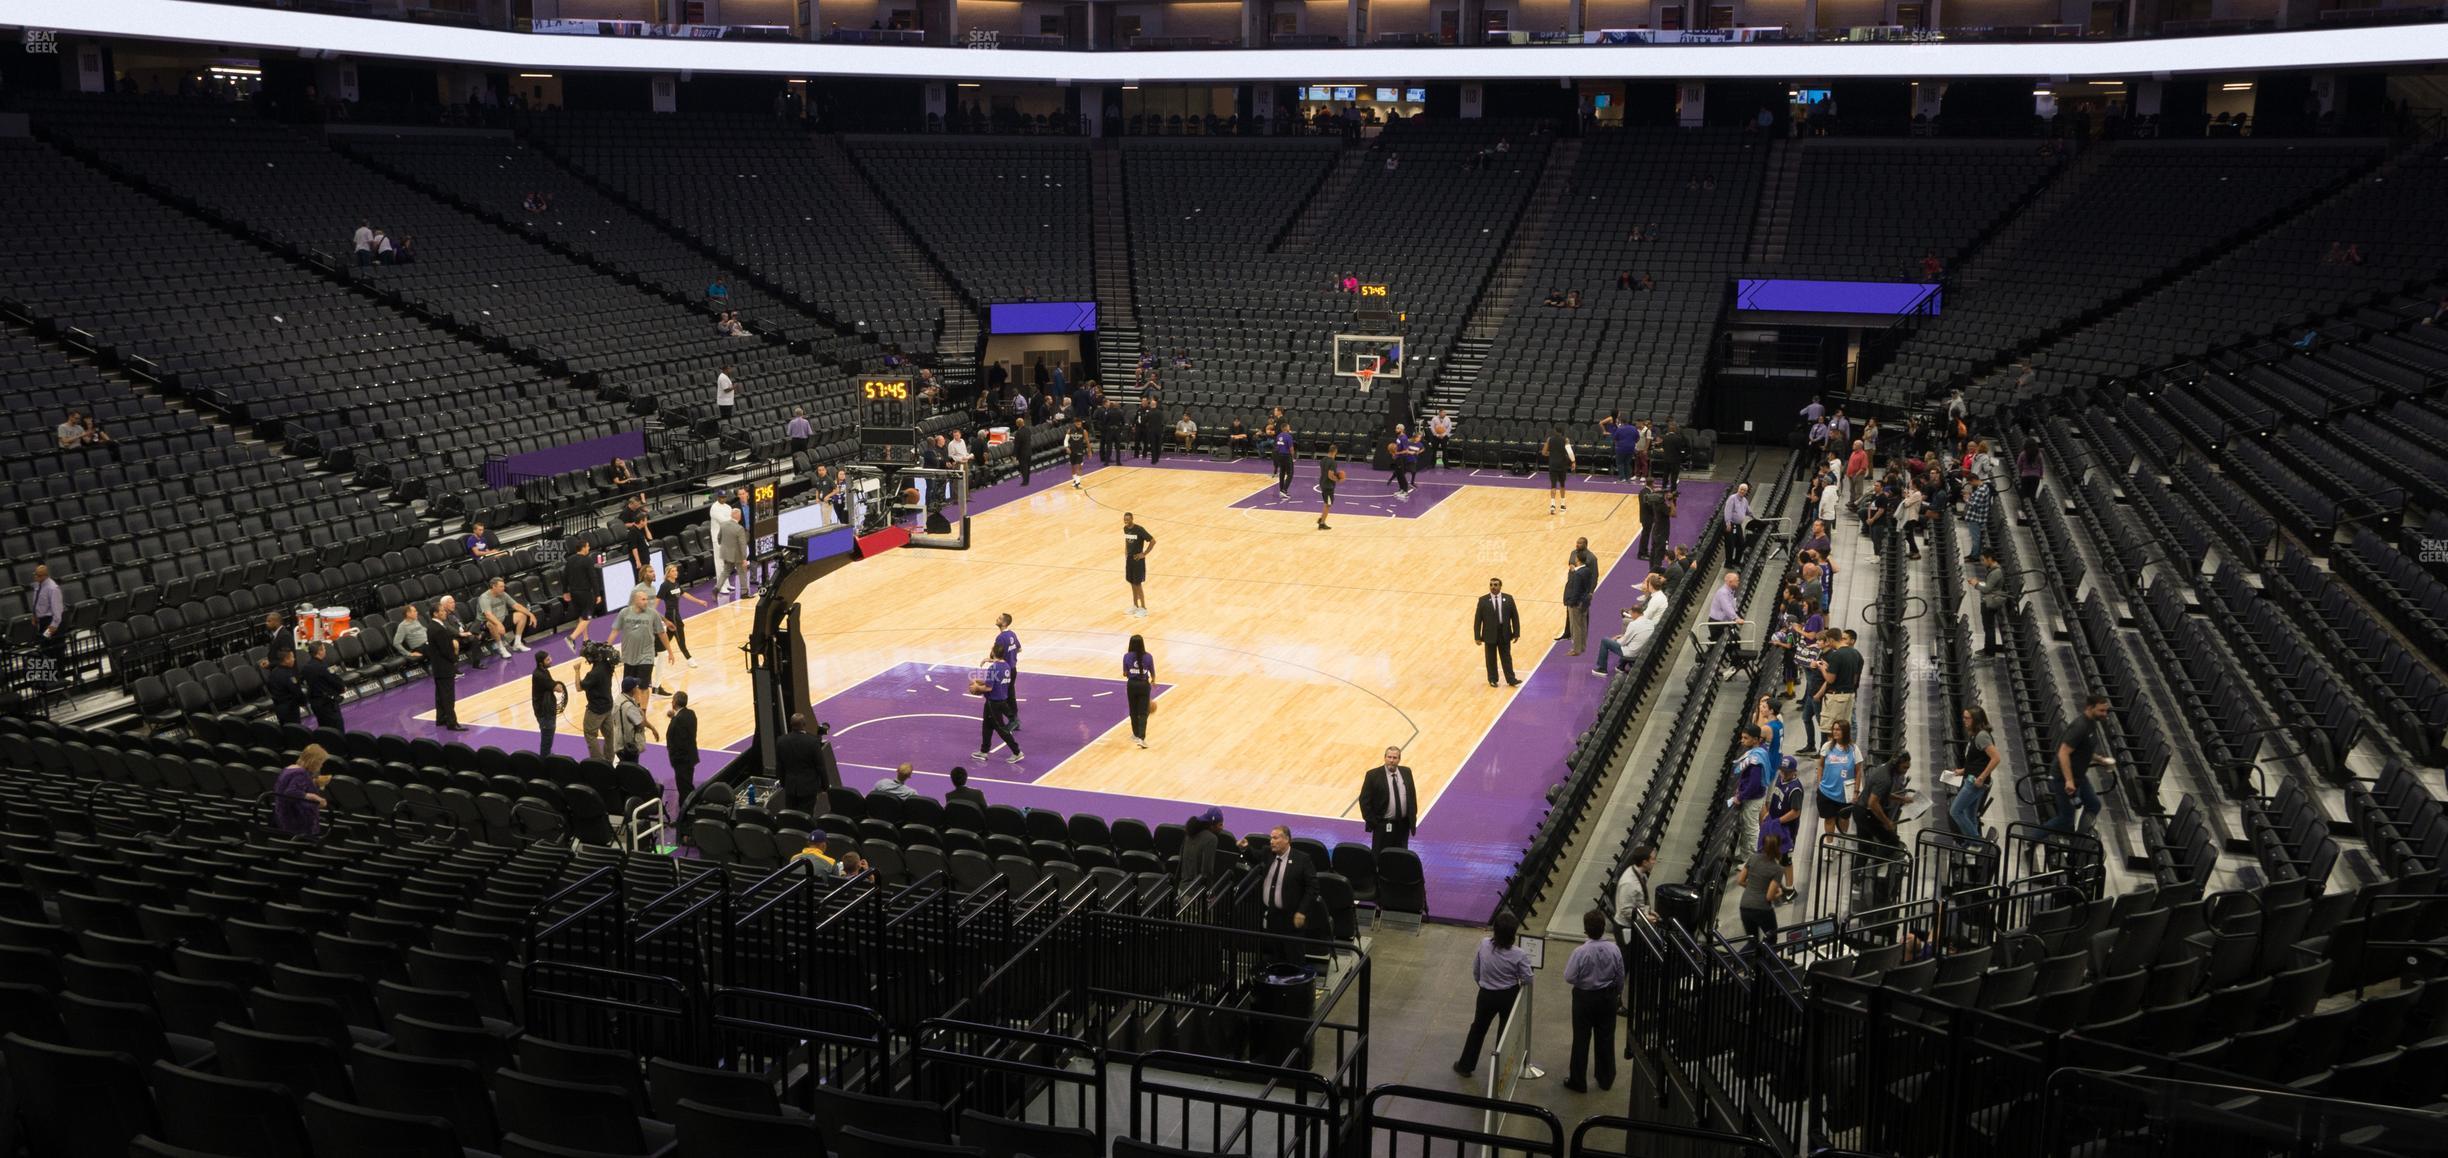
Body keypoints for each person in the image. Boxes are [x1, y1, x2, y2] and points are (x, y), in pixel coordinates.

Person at [1452, 910, 1533, 1077]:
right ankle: (1502, 1072)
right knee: (1505, 1034)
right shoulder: (1519, 954)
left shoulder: (1484, 944)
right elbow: (1527, 978)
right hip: (1509, 995)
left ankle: (1465, 1065)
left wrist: (1485, 985)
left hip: (1486, 995)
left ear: (1495, 930)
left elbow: (1476, 970)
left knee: (1478, 1029)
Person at [1561, 907, 1625, 1093]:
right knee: (1605, 1037)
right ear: (1604, 928)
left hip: (1584, 998)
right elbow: (1620, 975)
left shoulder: (1580, 952)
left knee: (1581, 1039)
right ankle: (1606, 1078)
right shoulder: (1614, 949)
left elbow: (1569, 976)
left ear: (1585, 929)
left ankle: (1578, 1081)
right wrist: (1616, 993)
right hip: (1607, 997)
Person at [2047, 693, 2112, 834]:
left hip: (2079, 776)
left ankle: (2080, 838)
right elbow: (2063, 753)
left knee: (2093, 804)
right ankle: (2030, 841)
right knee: (2065, 819)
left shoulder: (2091, 724)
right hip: (2063, 778)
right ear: (2090, 708)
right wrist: (2069, 780)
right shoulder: (2080, 726)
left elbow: (2083, 750)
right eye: (2101, 710)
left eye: (2106, 710)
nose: (2105, 714)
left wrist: (2100, 760)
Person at [1592, 574, 1666, 676]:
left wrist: (1616, 639)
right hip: (1645, 636)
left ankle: (1602, 669)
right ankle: (1621, 666)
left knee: (1605, 640)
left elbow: (1623, 642)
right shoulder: (1660, 598)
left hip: (1631, 652)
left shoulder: (1636, 623)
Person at [1947, 707, 2002, 842]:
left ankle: (1977, 842)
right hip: (1971, 778)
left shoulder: (1982, 736)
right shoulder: (1975, 734)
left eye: (1967, 718)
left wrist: (1982, 777)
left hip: (1975, 783)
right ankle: (1973, 845)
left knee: (1955, 811)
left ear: (1976, 720)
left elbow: (1996, 758)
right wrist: (1962, 771)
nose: (1964, 720)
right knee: (1970, 815)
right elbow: (1978, 761)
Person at [1258, 825, 1315, 947]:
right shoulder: (1268, 853)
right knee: (1274, 955)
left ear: (1287, 839)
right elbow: (1254, 857)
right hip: (1271, 916)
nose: (1271, 841)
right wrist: (1245, 848)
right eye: (1271, 838)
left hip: (1291, 918)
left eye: (1275, 838)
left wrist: (1301, 912)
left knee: (1293, 956)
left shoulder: (1302, 859)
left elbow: (1312, 888)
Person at [969, 640, 1024, 764]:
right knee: (987, 726)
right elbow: (996, 682)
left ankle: (1017, 752)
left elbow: (989, 688)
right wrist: (982, 681)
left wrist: (977, 688)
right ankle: (983, 751)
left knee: (1001, 729)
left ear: (993, 652)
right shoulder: (1006, 666)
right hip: (1001, 700)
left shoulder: (993, 668)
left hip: (994, 703)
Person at [1359, 746, 1418, 853]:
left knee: (1401, 856)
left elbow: (1412, 797)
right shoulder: (1373, 775)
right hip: (1382, 825)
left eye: (1394, 758)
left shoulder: (1406, 772)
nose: (1391, 760)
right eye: (1389, 757)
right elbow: (1364, 801)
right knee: (1380, 856)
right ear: (1384, 758)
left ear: (1399, 759)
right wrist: (1375, 823)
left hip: (1403, 826)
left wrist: (1411, 820)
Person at [614, 584, 669, 697]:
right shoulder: (636, 591)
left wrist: (664, 620)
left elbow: (653, 611)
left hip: (648, 639)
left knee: (660, 655)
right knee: (630, 684)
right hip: (632, 651)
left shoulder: (653, 588)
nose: (653, 573)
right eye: (650, 571)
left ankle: (655, 687)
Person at [776, 713, 834, 813]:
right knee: (806, 817)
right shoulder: (813, 742)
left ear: (791, 724)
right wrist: (825, 786)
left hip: (790, 787)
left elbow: (780, 765)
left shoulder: (781, 741)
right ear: (804, 724)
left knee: (791, 815)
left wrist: (783, 783)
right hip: (808, 788)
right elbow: (820, 767)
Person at [1858, 750, 1914, 850]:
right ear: (1896, 764)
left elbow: (1883, 794)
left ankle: (1867, 863)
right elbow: (1873, 803)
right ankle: (1876, 863)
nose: (1906, 771)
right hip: (1864, 813)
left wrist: (1902, 799)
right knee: (1892, 843)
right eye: (1904, 767)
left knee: (1864, 849)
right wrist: (1887, 822)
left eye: (1908, 768)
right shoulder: (1885, 779)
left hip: (1861, 810)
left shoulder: (1884, 768)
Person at [1764, 756, 1803, 901]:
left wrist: (1778, 821)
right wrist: (1769, 814)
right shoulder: (1779, 780)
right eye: (1782, 770)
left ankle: (1790, 889)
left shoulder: (1795, 788)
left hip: (1787, 829)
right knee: (1775, 855)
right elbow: (1775, 799)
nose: (1783, 773)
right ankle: (1776, 884)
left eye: (1786, 771)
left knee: (1786, 859)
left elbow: (1795, 812)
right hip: (1775, 823)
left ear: (1794, 771)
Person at [1735, 834, 1786, 942]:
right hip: (1762, 909)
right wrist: (1779, 893)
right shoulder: (1777, 869)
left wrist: (1754, 885)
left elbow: (1740, 880)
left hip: (1745, 905)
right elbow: (1769, 896)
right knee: (1771, 938)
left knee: (1752, 941)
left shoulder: (1753, 858)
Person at [273, 744, 333, 836]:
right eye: (321, 762)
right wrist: (314, 797)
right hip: (297, 821)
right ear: (314, 762)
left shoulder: (290, 768)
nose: (321, 765)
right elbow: (290, 792)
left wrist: (315, 782)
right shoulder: (301, 773)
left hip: (285, 816)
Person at [427, 599, 468, 730]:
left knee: (440, 695)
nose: (445, 613)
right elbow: (445, 650)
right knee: (448, 696)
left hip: (438, 667)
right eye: (442, 611)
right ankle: (452, 722)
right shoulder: (438, 629)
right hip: (444, 666)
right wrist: (455, 656)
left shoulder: (433, 626)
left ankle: (441, 718)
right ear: (435, 614)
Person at [1474, 577, 1523, 688]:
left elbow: (1514, 617)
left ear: (1500, 586)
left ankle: (1511, 679)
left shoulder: (1509, 599)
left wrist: (1516, 633)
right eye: (1491, 585)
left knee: (1506, 657)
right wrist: (1477, 636)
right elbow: (1478, 619)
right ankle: (1492, 679)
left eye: (1495, 585)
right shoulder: (1483, 600)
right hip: (1489, 634)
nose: (1493, 587)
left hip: (1504, 633)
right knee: (1490, 658)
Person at [474, 576, 535, 661]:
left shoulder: (503, 594)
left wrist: (530, 614)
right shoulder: (484, 597)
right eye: (501, 587)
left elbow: (516, 605)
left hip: (502, 619)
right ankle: (501, 648)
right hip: (486, 623)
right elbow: (488, 615)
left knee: (522, 615)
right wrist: (499, 624)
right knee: (491, 623)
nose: (503, 588)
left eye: (503, 586)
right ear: (493, 586)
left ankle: (517, 643)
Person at [560, 540, 604, 650]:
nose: (589, 548)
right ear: (583, 548)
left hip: (574, 593)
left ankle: (586, 640)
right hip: (585, 592)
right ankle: (571, 638)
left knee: (582, 616)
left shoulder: (569, 560)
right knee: (587, 617)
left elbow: (564, 576)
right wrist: (597, 593)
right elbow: (593, 578)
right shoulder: (587, 560)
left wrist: (565, 591)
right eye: (588, 546)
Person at [1968, 549, 2013, 655]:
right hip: (1989, 599)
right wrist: (1979, 583)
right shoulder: (1994, 570)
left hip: (1990, 603)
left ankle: (1989, 651)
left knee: (1989, 628)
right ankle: (1987, 648)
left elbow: (1987, 589)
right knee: (1987, 628)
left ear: (1990, 559)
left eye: (1983, 560)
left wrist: (1975, 584)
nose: (1982, 562)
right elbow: (1991, 586)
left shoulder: (1995, 572)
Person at [1817, 719, 1859, 836]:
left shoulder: (1854, 749)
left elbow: (1859, 771)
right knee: (1829, 819)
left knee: (1844, 819)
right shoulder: (1827, 746)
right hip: (1826, 791)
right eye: (1834, 729)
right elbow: (1820, 765)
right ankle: (1829, 845)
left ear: (1845, 731)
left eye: (1838, 730)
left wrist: (1856, 791)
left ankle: (1841, 841)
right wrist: (1819, 782)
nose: (1835, 732)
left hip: (1845, 794)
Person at [1817, 627, 1862, 732]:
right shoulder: (1855, 653)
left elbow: (1830, 679)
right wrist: (1830, 668)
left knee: (1832, 731)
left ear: (1831, 640)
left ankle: (1833, 749)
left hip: (1836, 699)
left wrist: (1823, 669)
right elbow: (1855, 677)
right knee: (1844, 730)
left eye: (1828, 641)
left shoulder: (1836, 655)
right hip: (1849, 695)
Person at [578, 647, 618, 762]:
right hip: (608, 706)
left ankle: (598, 763)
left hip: (596, 710)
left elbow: (579, 687)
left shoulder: (593, 674)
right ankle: (609, 760)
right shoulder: (607, 665)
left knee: (590, 734)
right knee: (609, 735)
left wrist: (577, 671)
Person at [300, 641, 345, 733]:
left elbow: (300, 680)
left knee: (324, 729)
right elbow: (333, 680)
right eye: (324, 649)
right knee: (337, 729)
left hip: (315, 703)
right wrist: (342, 688)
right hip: (327, 703)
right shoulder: (322, 667)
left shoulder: (306, 668)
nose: (325, 651)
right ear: (319, 651)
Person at [29, 564, 66, 673]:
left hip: (52, 623)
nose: (35, 577)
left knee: (55, 651)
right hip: (43, 622)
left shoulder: (52, 588)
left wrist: (53, 626)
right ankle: (50, 676)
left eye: (37, 575)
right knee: (45, 649)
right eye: (35, 574)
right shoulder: (38, 586)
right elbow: (38, 603)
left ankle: (59, 676)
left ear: (44, 576)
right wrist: (34, 615)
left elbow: (57, 609)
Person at [1123, 634, 1156, 749]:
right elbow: (1152, 671)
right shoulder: (1148, 656)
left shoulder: (1126, 656)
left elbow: (1125, 673)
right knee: (1143, 712)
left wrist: (1133, 671)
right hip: (1144, 686)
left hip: (1131, 685)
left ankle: (1136, 734)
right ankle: (1141, 738)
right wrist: (1153, 681)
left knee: (1133, 710)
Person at [1613, 844, 1656, 932]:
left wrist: (1648, 911)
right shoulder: (1629, 883)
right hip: (1626, 928)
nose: (1654, 862)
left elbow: (1639, 900)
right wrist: (1645, 917)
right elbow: (1625, 910)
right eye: (1652, 859)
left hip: (1636, 924)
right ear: (1644, 862)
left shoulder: (1641, 874)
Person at [613, 678, 658, 763]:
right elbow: (641, 723)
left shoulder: (618, 700)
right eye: (636, 687)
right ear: (633, 689)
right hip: (629, 746)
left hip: (618, 742)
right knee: (631, 769)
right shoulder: (630, 707)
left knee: (624, 766)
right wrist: (652, 728)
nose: (638, 688)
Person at [1562, 548, 1596, 657]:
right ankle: (1582, 646)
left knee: (1575, 626)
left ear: (1578, 560)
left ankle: (1576, 649)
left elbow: (1576, 591)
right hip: (1585, 601)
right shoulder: (1587, 570)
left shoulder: (1578, 574)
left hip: (1576, 603)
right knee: (1583, 624)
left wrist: (1571, 602)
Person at [1122, 512, 1156, 618]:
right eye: (1125, 519)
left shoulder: (1139, 529)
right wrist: (1126, 553)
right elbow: (1127, 542)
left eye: (1128, 519)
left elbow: (1153, 541)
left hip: (1138, 561)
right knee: (1132, 583)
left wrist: (1144, 554)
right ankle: (1135, 606)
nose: (1126, 521)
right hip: (1129, 560)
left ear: (1132, 519)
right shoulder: (1125, 529)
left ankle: (1144, 608)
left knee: (1138, 584)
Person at [1178, 807, 1224, 883]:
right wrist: (1210, 893)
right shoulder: (1211, 839)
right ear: (1211, 826)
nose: (1222, 828)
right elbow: (1207, 871)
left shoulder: (1190, 834)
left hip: (1182, 888)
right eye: (1220, 825)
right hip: (1195, 892)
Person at [263, 646, 305, 727]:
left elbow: (269, 687)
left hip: (279, 708)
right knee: (296, 732)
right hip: (290, 709)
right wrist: (304, 702)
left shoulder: (273, 672)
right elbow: (296, 691)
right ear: (286, 660)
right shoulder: (289, 674)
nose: (294, 659)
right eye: (292, 657)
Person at [715, 504, 750, 598]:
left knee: (725, 572)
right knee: (742, 572)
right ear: (739, 517)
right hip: (737, 555)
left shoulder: (723, 525)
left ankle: (716, 588)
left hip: (726, 554)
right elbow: (743, 545)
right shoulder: (739, 528)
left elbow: (719, 538)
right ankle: (744, 593)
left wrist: (725, 547)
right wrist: (744, 558)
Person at [1963, 473, 1995, 567]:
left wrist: (1967, 499)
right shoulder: (1984, 486)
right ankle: (1973, 554)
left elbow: (1975, 505)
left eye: (1970, 482)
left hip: (1976, 518)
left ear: (1973, 480)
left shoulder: (1981, 490)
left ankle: (1975, 556)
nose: (1971, 485)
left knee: (1975, 538)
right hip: (1977, 517)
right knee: (1975, 538)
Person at [1542, 427, 1575, 514]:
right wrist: (1573, 462)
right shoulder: (1566, 440)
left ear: (1555, 431)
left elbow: (1544, 452)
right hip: (1562, 465)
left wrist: (1552, 453)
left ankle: (1552, 505)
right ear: (1562, 432)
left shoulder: (1549, 439)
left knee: (1553, 485)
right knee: (1562, 485)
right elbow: (1570, 452)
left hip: (1553, 465)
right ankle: (1562, 505)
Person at [1317, 448, 1345, 531]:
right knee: (1328, 504)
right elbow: (1330, 475)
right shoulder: (1333, 462)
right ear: (1335, 452)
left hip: (1322, 483)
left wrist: (1336, 474)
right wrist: (1338, 480)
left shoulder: (1323, 459)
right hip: (1328, 486)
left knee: (1327, 503)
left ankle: (1321, 519)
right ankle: (1322, 524)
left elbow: (1325, 471)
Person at [1656, 423, 1687, 493]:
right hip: (1675, 460)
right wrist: (1682, 454)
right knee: (1674, 475)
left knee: (1665, 474)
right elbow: (1680, 449)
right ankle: (1673, 489)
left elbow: (1663, 447)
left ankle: (1663, 487)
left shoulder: (1665, 438)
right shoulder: (1677, 438)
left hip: (1666, 459)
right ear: (1675, 429)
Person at [1271, 421, 1297, 497]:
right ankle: (1284, 490)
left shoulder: (1279, 435)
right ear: (1285, 428)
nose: (1289, 427)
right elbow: (1291, 448)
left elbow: (1277, 446)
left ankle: (1281, 490)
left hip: (1279, 455)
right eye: (1288, 426)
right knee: (1290, 474)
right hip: (1286, 456)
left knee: (1282, 472)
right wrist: (1293, 457)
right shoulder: (1288, 436)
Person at [1065, 420, 1091, 489]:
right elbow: (1065, 440)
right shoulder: (1070, 430)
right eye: (1077, 423)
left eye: (1080, 423)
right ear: (1075, 423)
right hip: (1072, 451)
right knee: (1073, 466)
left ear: (1081, 423)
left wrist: (1089, 451)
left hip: (1079, 451)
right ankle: (1074, 480)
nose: (1079, 424)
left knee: (1079, 466)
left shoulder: (1084, 431)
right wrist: (1066, 447)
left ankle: (1078, 483)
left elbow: (1087, 442)